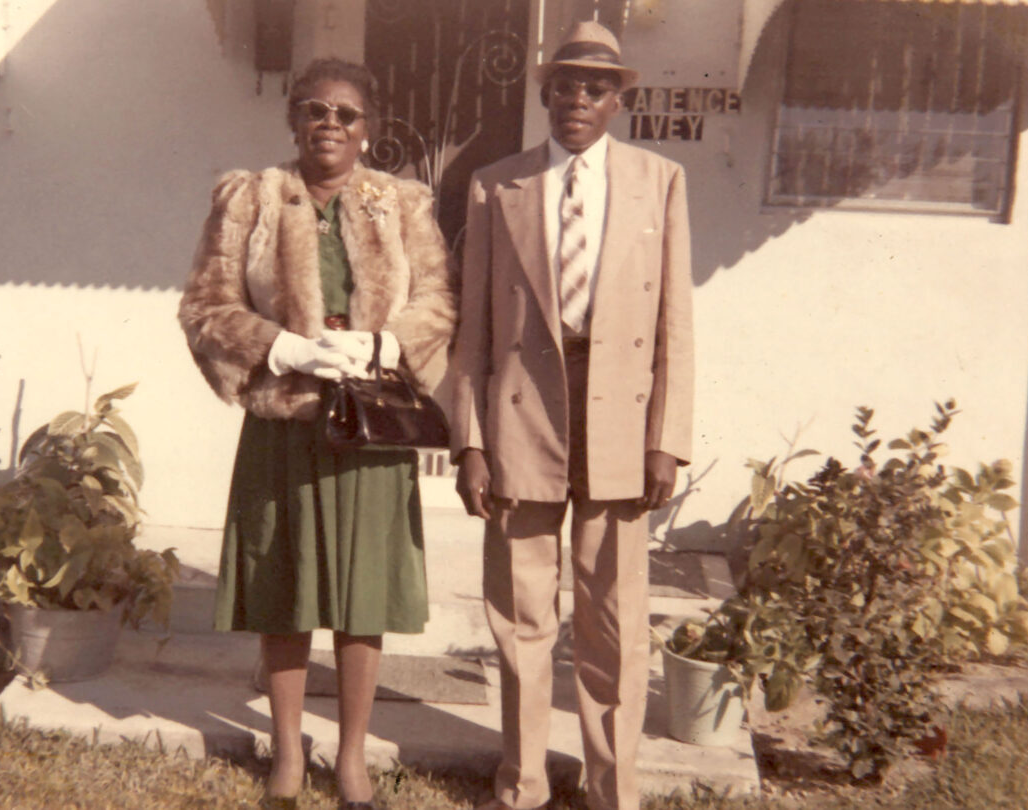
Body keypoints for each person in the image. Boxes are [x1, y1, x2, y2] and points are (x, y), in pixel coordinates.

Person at [178, 59, 456, 809]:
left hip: (372, 427)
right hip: (286, 422)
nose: (329, 124)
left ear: (370, 129)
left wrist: (385, 346)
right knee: (286, 590)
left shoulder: (400, 204)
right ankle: (289, 754)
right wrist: (282, 347)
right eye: (313, 110)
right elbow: (204, 308)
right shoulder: (253, 198)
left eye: (346, 113)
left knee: (363, 594)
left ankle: (355, 757)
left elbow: (438, 300)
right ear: (293, 120)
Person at [449, 21, 694, 810]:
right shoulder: (498, 183)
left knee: (613, 616)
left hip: (619, 416)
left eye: (596, 87)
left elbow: (675, 329)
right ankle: (520, 783)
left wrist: (668, 441)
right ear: (544, 92)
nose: (577, 100)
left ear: (619, 99)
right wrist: (472, 442)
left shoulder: (660, 181)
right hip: (525, 414)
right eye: (564, 84)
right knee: (522, 613)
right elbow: (473, 329)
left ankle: (608, 788)